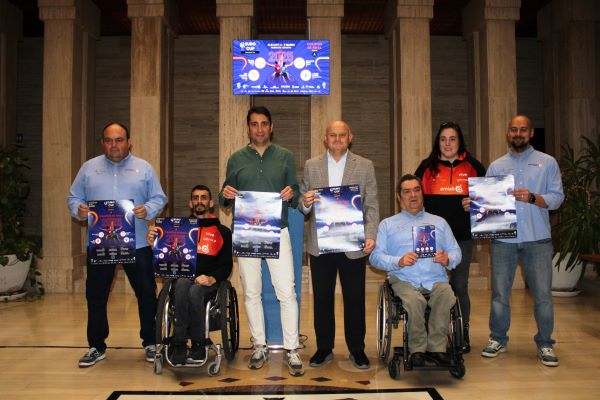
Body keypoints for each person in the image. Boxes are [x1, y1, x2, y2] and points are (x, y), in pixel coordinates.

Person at [67, 122, 168, 368]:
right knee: (96, 295)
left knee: (146, 294)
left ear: (129, 141)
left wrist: (148, 209)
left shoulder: (144, 168)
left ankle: (151, 343)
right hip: (101, 242)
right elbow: (73, 197)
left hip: (138, 242)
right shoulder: (88, 168)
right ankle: (96, 346)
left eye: (119, 140)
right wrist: (79, 209)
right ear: (103, 142)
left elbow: (159, 197)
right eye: (109, 140)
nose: (114, 145)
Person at [467, 115, 564, 367]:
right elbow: (488, 203)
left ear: (531, 133)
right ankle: (498, 338)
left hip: (538, 239)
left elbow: (557, 198)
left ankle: (545, 343)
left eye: (523, 129)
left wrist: (533, 198)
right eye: (513, 129)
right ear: (508, 133)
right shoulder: (497, 166)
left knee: (542, 295)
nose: (518, 133)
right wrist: (474, 203)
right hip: (503, 240)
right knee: (500, 294)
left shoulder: (547, 162)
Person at [218, 106, 304, 376]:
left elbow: (297, 192)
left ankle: (291, 349)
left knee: (286, 291)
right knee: (252, 292)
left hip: (279, 230)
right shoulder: (236, 158)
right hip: (246, 233)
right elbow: (224, 197)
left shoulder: (286, 156)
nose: (259, 128)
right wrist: (226, 193)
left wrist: (292, 193)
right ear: (248, 127)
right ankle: (259, 346)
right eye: (254, 124)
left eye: (264, 123)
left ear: (271, 126)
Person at [299, 120, 379, 369]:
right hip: (320, 244)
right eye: (332, 135)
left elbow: (372, 206)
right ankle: (324, 348)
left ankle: (357, 349)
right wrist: (306, 201)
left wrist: (371, 234)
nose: (337, 138)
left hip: (352, 243)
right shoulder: (311, 166)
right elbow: (303, 205)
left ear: (350, 136)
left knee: (355, 298)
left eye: (341, 135)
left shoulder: (365, 166)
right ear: (325, 138)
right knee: (322, 298)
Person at [370, 174, 461, 367]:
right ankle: (417, 350)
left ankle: (437, 348)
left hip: (435, 277)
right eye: (407, 191)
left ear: (422, 193)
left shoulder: (439, 222)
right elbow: (375, 257)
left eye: (416, 190)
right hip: (404, 279)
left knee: (446, 296)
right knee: (415, 301)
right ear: (399, 197)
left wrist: (448, 258)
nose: (413, 195)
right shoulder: (388, 224)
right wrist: (398, 261)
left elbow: (455, 251)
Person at [415, 122, 486, 352]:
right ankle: (429, 334)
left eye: (452, 139)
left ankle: (461, 333)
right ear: (438, 142)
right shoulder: (426, 167)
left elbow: (488, 203)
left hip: (462, 238)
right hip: (430, 237)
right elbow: (413, 201)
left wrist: (476, 205)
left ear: (460, 141)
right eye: (443, 139)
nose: (447, 143)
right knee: (430, 286)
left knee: (459, 285)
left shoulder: (474, 166)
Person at [147, 185, 232, 366]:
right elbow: (167, 257)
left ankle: (198, 343)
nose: (199, 201)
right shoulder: (177, 229)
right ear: (190, 203)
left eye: (203, 198)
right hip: (183, 278)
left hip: (209, 282)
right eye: (195, 198)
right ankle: (179, 342)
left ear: (210, 203)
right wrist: (155, 244)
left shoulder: (223, 232)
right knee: (183, 284)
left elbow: (226, 266)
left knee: (195, 291)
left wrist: (211, 278)